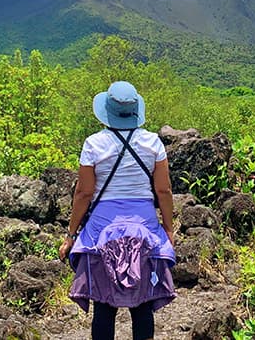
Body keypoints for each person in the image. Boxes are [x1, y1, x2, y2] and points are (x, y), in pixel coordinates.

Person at [59, 81, 176, 340]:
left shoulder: (93, 144)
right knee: (143, 306)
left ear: (107, 112)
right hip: (144, 230)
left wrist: (71, 233)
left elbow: (84, 193)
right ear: (135, 111)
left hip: (102, 232)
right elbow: (164, 191)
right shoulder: (152, 142)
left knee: (104, 306)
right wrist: (168, 228)